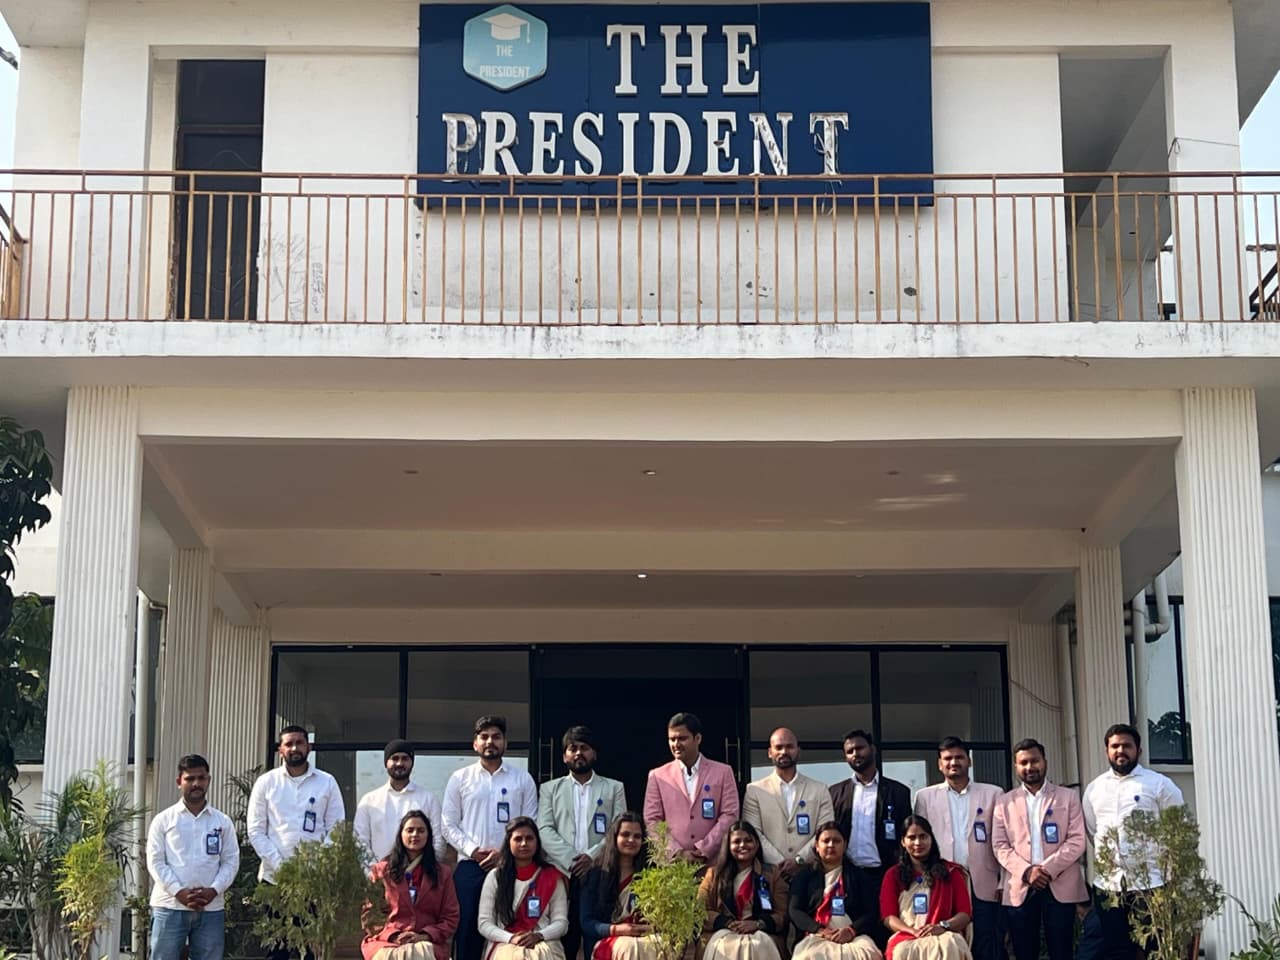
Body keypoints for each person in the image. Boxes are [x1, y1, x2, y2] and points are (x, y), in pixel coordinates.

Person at [1077, 723, 1184, 960]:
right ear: (1107, 751)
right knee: (1115, 951)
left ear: (1139, 750)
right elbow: (1095, 832)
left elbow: (1177, 832)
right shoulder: (1094, 789)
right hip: (1110, 886)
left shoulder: (1159, 785)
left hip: (1151, 885)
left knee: (1154, 950)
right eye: (1115, 746)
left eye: (1127, 745)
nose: (1120, 751)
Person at [444, 716, 540, 960]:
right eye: (484, 737)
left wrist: (503, 853)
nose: (490, 742)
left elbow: (531, 822)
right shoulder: (460, 778)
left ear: (505, 743)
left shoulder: (522, 779)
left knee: (510, 929)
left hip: (511, 866)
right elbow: (447, 824)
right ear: (475, 744)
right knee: (467, 932)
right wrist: (474, 850)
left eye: (496, 737)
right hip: (470, 866)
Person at [248, 725, 345, 960]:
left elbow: (336, 828)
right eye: (288, 744)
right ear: (280, 750)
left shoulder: (327, 782)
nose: (294, 748)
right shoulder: (266, 783)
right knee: (275, 951)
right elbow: (255, 830)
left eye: (299, 743)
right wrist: (284, 870)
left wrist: (313, 868)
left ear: (308, 747)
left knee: (310, 952)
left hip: (313, 882)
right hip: (275, 882)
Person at [538, 725, 629, 960]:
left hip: (599, 872)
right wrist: (572, 860)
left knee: (595, 939)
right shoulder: (549, 789)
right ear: (564, 756)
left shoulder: (614, 788)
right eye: (572, 748)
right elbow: (544, 829)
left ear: (594, 753)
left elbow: (618, 828)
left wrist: (590, 857)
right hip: (561, 874)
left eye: (584, 748)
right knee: (563, 939)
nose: (578, 753)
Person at [991, 739, 1087, 960]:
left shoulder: (1067, 797)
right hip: (1021, 885)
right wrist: (1027, 872)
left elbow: (1076, 840)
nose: (1029, 767)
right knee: (1024, 952)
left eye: (1035, 761)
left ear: (1045, 762)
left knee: (1062, 951)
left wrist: (1045, 870)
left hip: (1059, 883)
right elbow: (999, 845)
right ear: (1015, 766)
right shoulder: (1004, 802)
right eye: (1023, 762)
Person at [912, 738, 1002, 960]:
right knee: (947, 945)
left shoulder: (993, 793)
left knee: (985, 943)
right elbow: (919, 843)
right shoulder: (924, 796)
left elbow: (1002, 842)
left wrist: (1003, 882)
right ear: (939, 764)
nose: (954, 762)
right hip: (942, 881)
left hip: (983, 881)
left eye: (959, 757)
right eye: (948, 758)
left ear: (969, 761)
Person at [146, 754, 240, 960]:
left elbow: (231, 861)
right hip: (169, 906)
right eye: (190, 779)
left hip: (211, 907)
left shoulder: (222, 822)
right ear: (179, 782)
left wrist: (214, 890)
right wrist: (178, 891)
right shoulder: (163, 820)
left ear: (209, 780)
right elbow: (155, 862)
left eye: (201, 778)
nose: (196, 783)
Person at [828, 729, 911, 944]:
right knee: (852, 935)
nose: (855, 754)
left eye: (860, 748)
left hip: (884, 873)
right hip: (849, 876)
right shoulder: (836, 793)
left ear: (872, 749)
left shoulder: (898, 792)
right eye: (849, 751)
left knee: (885, 933)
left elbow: (905, 837)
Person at [362, 810, 460, 960]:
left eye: (421, 831)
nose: (415, 835)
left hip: (427, 940)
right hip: (387, 940)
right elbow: (370, 916)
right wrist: (394, 935)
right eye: (410, 830)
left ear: (428, 836)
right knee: (392, 955)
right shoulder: (381, 871)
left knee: (420, 952)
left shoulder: (442, 874)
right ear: (401, 835)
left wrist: (424, 936)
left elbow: (450, 917)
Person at [643, 712, 740, 863]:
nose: (676, 744)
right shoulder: (658, 776)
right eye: (672, 739)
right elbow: (652, 820)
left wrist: (704, 849)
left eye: (682, 738)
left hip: (713, 863)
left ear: (698, 738)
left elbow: (730, 814)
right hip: (673, 866)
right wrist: (676, 851)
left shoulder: (723, 772)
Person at [744, 728, 835, 880]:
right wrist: (780, 864)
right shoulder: (755, 790)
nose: (784, 751)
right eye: (778, 747)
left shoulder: (820, 789)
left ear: (798, 751)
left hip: (810, 873)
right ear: (769, 752)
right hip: (770, 874)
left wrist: (799, 861)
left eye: (789, 746)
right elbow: (754, 832)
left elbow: (824, 831)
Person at [878, 816, 972, 960]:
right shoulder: (893, 875)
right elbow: (888, 917)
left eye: (923, 836)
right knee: (901, 951)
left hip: (943, 932)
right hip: (907, 934)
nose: (918, 842)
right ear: (903, 842)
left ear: (931, 839)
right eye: (912, 837)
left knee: (950, 944)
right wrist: (913, 932)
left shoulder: (951, 872)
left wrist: (943, 926)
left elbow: (965, 914)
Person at [788, 821, 882, 960]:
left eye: (836, 841)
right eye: (826, 841)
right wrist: (820, 930)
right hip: (817, 935)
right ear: (817, 846)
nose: (831, 845)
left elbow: (872, 912)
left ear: (844, 845)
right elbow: (794, 910)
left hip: (853, 936)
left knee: (869, 954)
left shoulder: (859, 876)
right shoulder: (804, 876)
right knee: (807, 955)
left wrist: (851, 930)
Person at [478, 817, 569, 960]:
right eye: (518, 839)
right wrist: (511, 938)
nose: (524, 843)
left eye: (529, 838)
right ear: (509, 843)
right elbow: (484, 924)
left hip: (544, 942)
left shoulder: (552, 877)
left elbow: (561, 922)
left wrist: (539, 935)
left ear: (537, 842)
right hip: (505, 942)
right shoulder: (496, 877)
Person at [699, 820, 786, 960]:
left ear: (757, 844)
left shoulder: (772, 874)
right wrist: (727, 923)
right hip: (724, 932)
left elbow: (782, 914)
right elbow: (700, 911)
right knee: (725, 947)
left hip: (760, 933)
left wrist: (758, 924)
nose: (742, 845)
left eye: (748, 841)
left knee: (758, 945)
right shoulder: (714, 875)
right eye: (736, 842)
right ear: (728, 846)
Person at [580, 812, 658, 960]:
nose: (631, 840)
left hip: (642, 937)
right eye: (625, 834)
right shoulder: (595, 875)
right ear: (614, 837)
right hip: (606, 939)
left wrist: (647, 929)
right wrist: (617, 930)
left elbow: (661, 920)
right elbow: (587, 922)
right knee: (628, 948)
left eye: (637, 836)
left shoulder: (652, 875)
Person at [356, 740, 446, 863]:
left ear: (412, 763)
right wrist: (374, 873)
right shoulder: (369, 801)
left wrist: (427, 870)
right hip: (378, 877)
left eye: (405, 759)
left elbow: (438, 840)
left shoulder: (428, 799)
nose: (399, 763)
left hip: (420, 877)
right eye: (394, 758)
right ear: (386, 762)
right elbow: (360, 842)